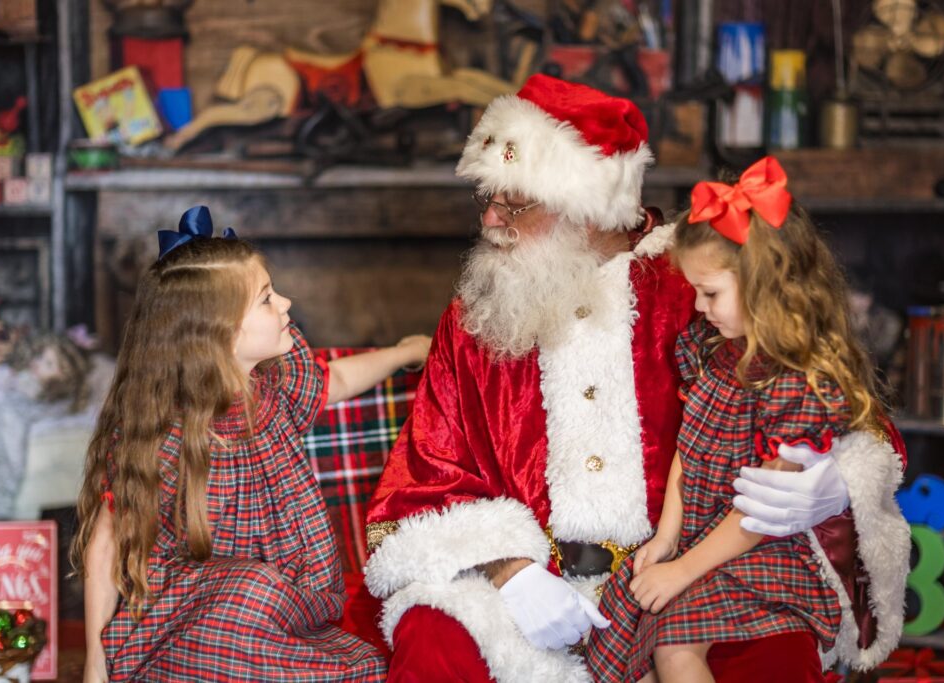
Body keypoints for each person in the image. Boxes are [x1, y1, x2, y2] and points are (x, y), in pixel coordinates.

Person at [361, 74, 908, 683]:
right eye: (487, 197)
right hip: (523, 590)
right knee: (431, 640)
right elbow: (420, 486)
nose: (491, 219)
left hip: (694, 572)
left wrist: (835, 479)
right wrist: (509, 573)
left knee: (772, 657)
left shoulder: (697, 285)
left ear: (588, 209)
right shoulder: (477, 316)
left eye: (516, 203)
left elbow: (848, 415)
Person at [71, 206, 430, 683]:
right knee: (252, 590)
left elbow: (337, 378)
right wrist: (96, 663)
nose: (285, 303)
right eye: (266, 299)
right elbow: (106, 543)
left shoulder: (276, 388)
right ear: (218, 332)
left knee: (357, 662)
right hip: (192, 614)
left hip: (292, 604)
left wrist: (405, 352)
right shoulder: (165, 429)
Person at [586, 157, 910, 682]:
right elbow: (687, 455)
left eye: (710, 292)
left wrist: (683, 570)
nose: (698, 305)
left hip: (759, 554)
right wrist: (667, 537)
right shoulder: (709, 353)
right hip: (700, 541)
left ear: (765, 284)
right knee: (643, 642)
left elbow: (764, 515)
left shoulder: (795, 383)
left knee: (676, 642)